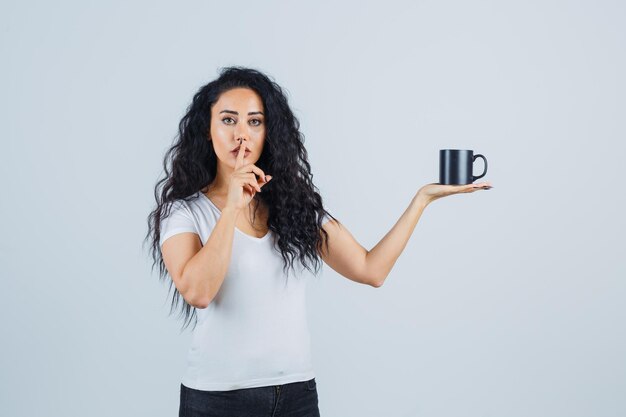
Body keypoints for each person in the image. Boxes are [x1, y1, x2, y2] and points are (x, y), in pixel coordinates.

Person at [145, 66, 492, 417]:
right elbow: (198, 292)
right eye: (228, 120)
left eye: (254, 122)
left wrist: (422, 199)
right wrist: (232, 207)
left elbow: (371, 269)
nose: (242, 135)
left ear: (268, 131)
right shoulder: (184, 213)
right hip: (218, 400)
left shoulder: (294, 207)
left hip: (296, 396)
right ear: (207, 130)